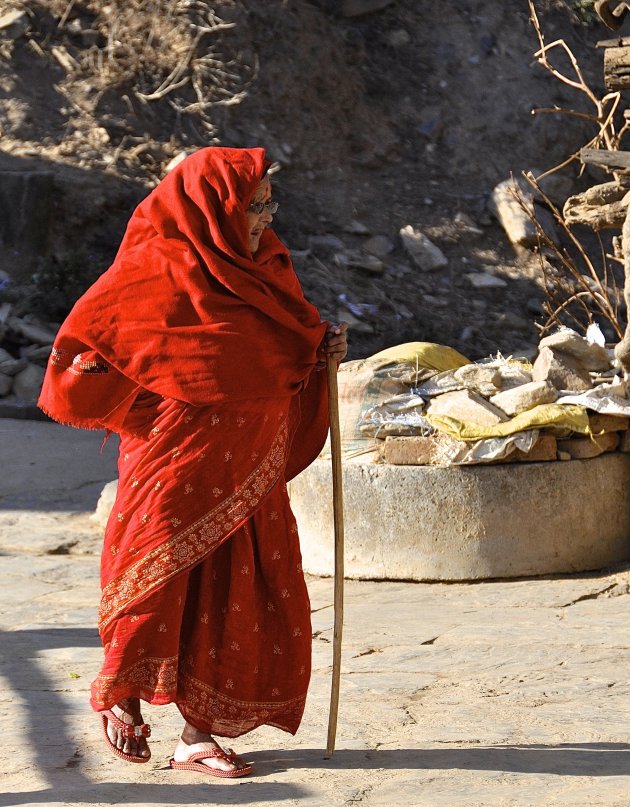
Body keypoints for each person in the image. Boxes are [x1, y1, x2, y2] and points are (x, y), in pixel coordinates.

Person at [38, 146, 348, 778]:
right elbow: (87, 344)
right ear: (214, 208)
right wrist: (100, 370)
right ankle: (122, 694)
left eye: (268, 204)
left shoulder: (265, 267)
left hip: (249, 470)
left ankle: (198, 735)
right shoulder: (153, 266)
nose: (265, 217)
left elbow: (288, 341)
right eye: (253, 205)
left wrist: (321, 351)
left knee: (239, 591)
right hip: (172, 459)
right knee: (155, 572)